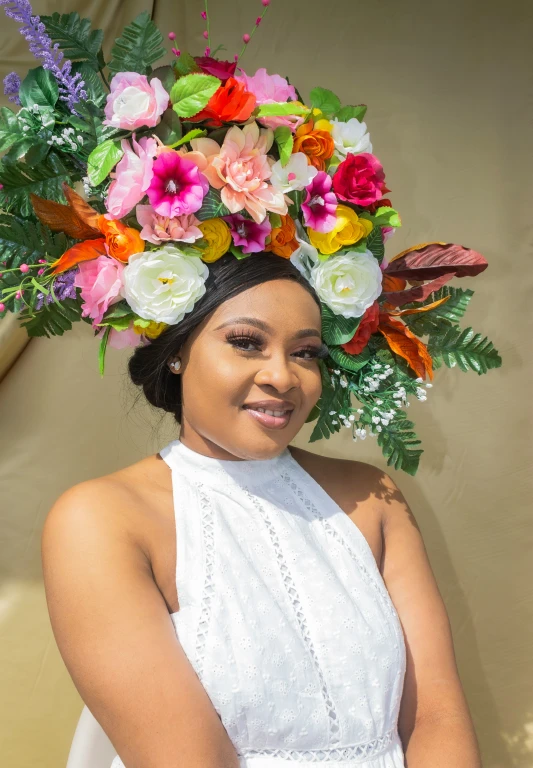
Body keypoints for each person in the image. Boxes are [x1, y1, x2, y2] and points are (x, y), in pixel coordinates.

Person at [41, 253, 482, 768]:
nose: (283, 376)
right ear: (177, 350)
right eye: (247, 342)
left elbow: (438, 719)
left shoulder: (372, 497)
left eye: (306, 352)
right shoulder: (102, 520)